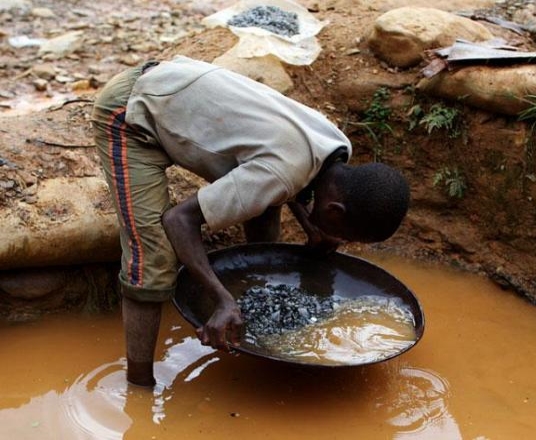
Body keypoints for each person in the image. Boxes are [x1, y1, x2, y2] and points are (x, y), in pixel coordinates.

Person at [90, 55, 410, 387]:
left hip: (177, 86)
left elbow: (294, 179)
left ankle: (251, 305)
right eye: (344, 236)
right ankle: (139, 384)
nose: (340, 242)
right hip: (132, 112)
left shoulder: (338, 148)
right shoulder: (282, 172)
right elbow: (178, 220)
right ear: (335, 211)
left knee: (265, 203)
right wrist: (221, 298)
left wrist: (312, 227)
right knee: (152, 259)